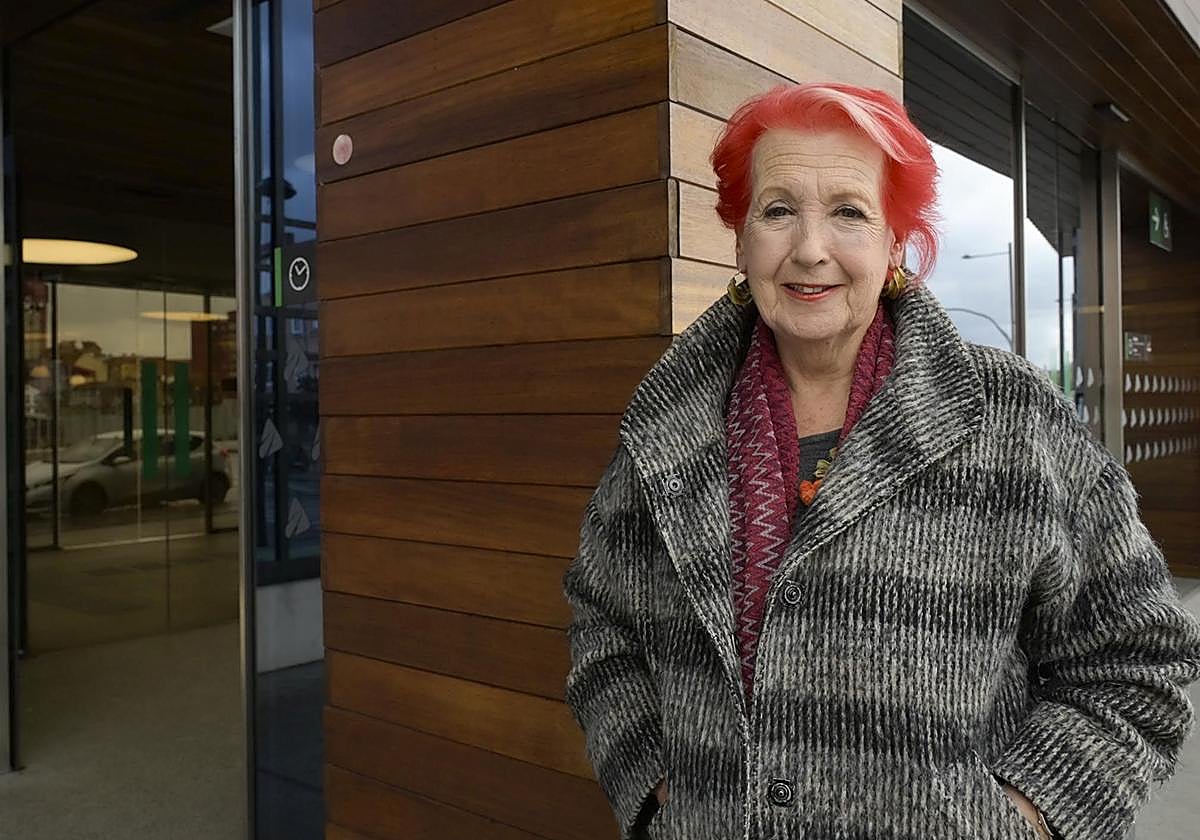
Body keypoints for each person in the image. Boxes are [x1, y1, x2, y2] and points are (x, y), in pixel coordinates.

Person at [562, 82, 1200, 840]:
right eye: (777, 210)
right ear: (740, 238)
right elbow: (601, 620)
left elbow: (1138, 657)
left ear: (896, 240)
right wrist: (654, 781)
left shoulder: (1012, 417)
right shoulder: (670, 427)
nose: (809, 248)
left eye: (849, 212)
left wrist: (1023, 818)